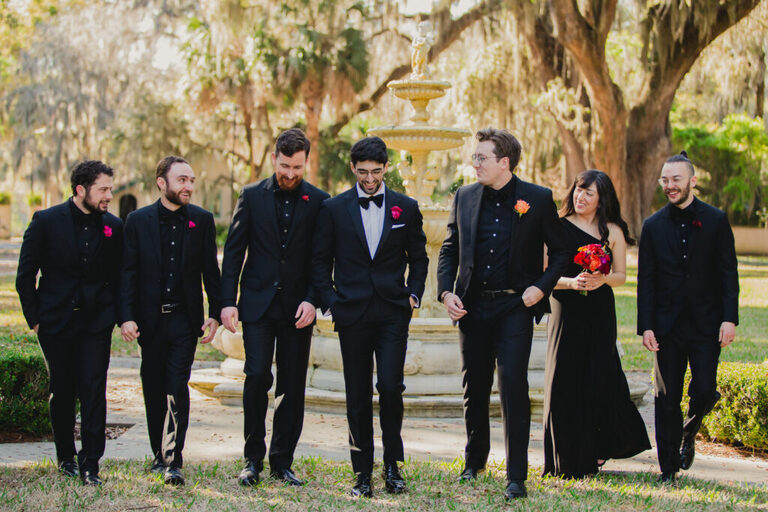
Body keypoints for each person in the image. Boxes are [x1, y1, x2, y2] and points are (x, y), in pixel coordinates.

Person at [436, 128, 568, 500]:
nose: (475, 163)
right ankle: (474, 462)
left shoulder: (537, 199)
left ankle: (516, 476)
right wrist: (446, 292)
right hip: (472, 307)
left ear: (504, 163)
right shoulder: (464, 196)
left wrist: (541, 287)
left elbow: (561, 252)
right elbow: (449, 249)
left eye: (482, 158)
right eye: (474, 157)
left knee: (513, 386)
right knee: (474, 386)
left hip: (515, 307)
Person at [312, 136, 428, 498]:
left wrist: (413, 294)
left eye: (376, 172)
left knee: (391, 387)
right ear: (352, 168)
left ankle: (393, 466)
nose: (369, 179)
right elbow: (320, 261)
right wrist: (331, 302)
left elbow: (419, 258)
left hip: (393, 312)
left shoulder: (406, 207)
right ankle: (361, 472)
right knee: (357, 393)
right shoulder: (333, 208)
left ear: (386, 167)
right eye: (362, 172)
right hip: (352, 312)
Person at [220, 128, 329, 487]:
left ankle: (282, 462)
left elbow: (321, 259)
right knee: (256, 377)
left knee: (292, 385)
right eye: (284, 166)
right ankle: (252, 459)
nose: (290, 174)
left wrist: (313, 299)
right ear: (273, 159)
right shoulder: (251, 196)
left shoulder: (320, 201)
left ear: (306, 162)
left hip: (298, 309)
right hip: (257, 306)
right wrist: (227, 302)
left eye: (297, 167)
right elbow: (233, 252)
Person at [16, 160, 123, 486]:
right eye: (103, 189)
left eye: (110, 189)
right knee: (62, 391)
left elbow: (120, 277)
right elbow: (25, 275)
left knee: (94, 391)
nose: (109, 195)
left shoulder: (114, 226)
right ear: (81, 189)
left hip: (96, 324)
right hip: (55, 323)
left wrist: (115, 316)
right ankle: (66, 456)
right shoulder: (45, 221)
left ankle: (91, 463)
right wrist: (35, 320)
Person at [119, 156, 221, 486]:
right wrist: (126, 317)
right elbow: (127, 274)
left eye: (191, 180)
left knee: (177, 386)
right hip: (149, 321)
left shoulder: (202, 220)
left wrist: (215, 313)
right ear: (161, 183)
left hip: (184, 320)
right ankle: (158, 453)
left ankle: (173, 459)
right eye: (181, 180)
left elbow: (211, 271)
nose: (188, 186)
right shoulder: (137, 221)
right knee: (153, 386)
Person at [542, 170, 650, 479]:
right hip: (565, 308)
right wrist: (570, 282)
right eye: (578, 190)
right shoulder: (556, 225)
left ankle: (596, 449)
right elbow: (544, 273)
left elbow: (621, 276)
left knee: (598, 376)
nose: (581, 196)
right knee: (563, 378)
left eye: (589, 193)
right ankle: (562, 457)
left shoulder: (612, 231)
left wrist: (602, 279)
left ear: (602, 199)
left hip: (599, 312)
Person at [637, 151, 738, 483]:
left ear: (692, 181)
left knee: (706, 390)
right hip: (666, 327)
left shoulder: (716, 220)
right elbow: (646, 280)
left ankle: (689, 432)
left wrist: (729, 319)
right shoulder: (652, 226)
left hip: (707, 323)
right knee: (666, 398)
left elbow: (728, 273)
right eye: (665, 180)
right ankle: (667, 469)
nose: (669, 185)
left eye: (676, 179)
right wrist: (646, 326)